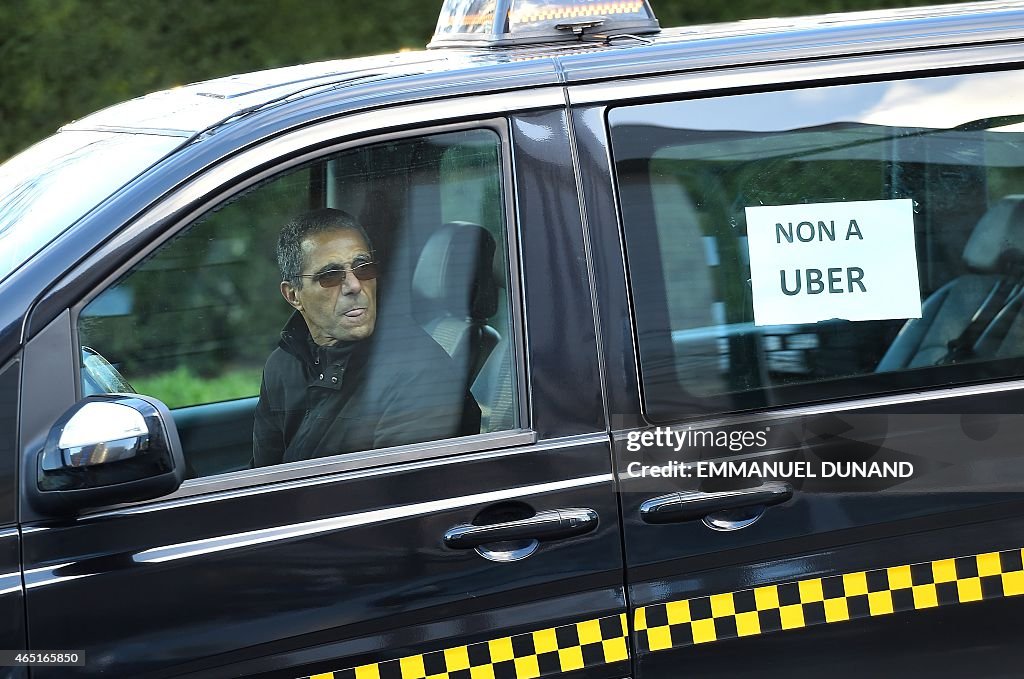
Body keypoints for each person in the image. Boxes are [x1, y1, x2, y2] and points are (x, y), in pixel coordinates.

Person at [252, 208, 480, 467]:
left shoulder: (421, 376)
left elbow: (395, 496)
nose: (354, 285)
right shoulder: (282, 365)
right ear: (293, 295)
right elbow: (262, 477)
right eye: (330, 275)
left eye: (363, 268)